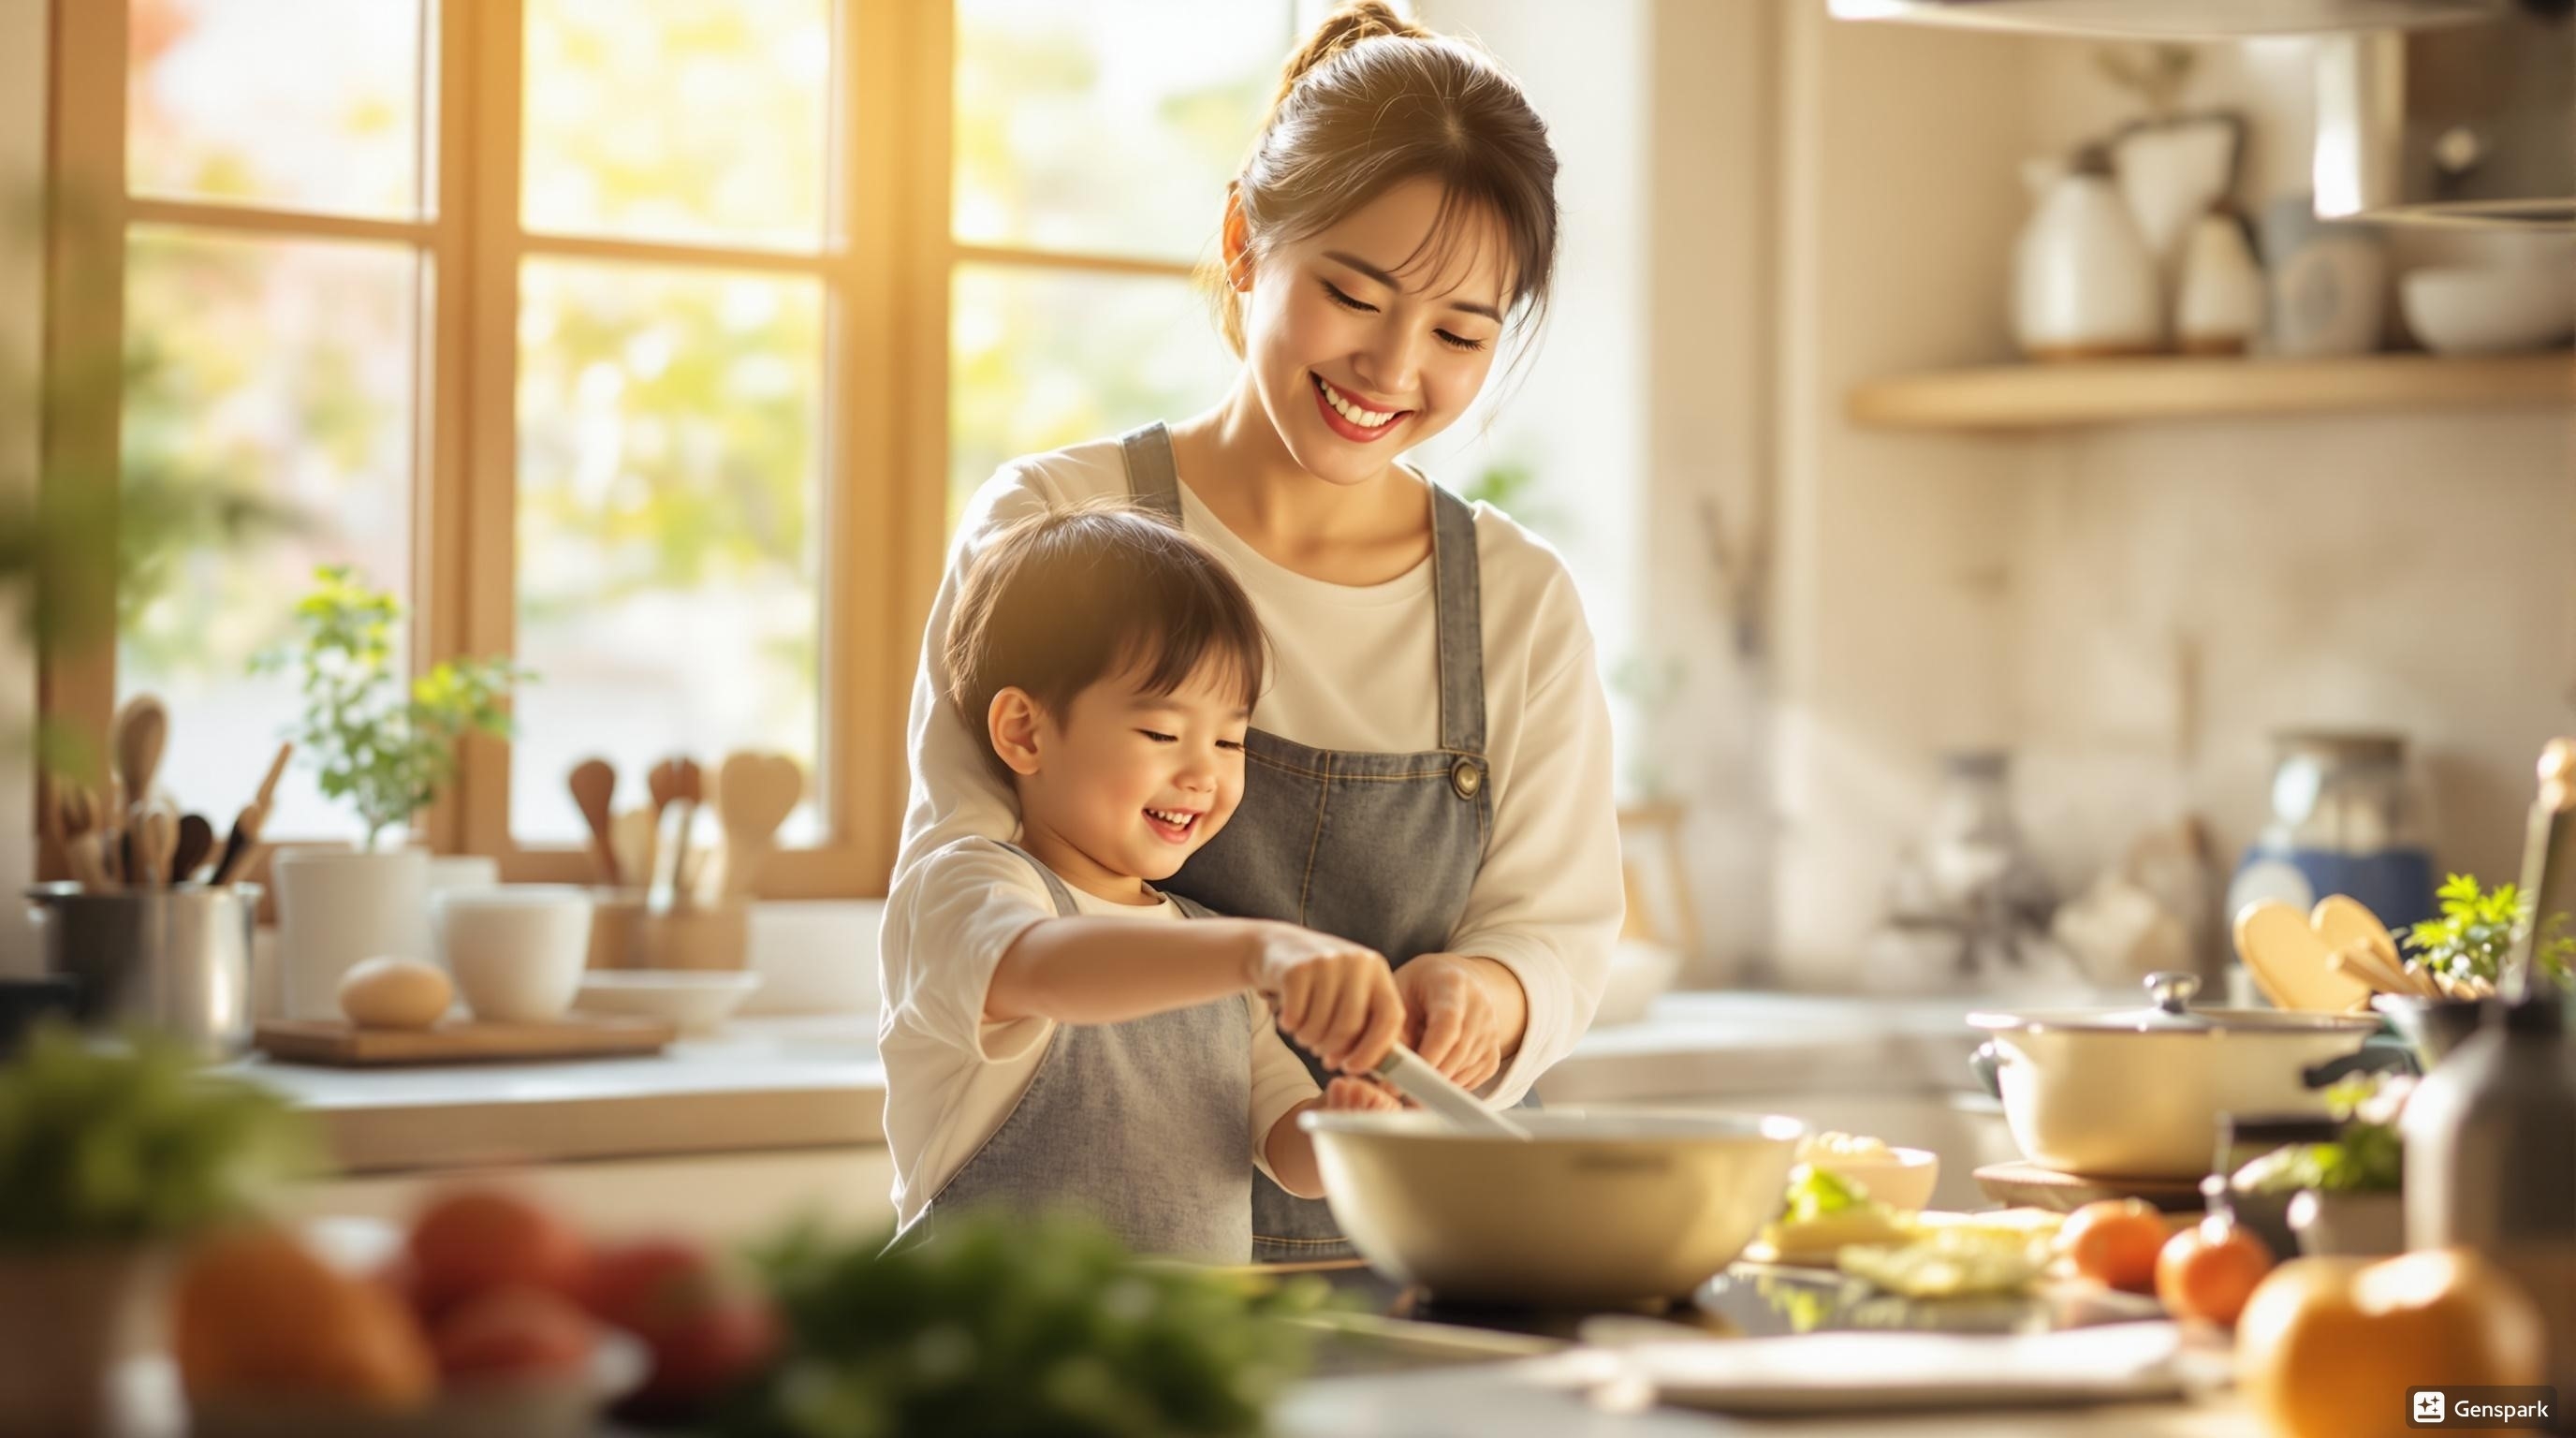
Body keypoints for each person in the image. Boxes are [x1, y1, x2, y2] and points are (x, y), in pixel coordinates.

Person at [890, 1, 1622, 1261]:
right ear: (1243, 240)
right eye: (1354, 294)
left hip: (1424, 1261)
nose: (1394, 368)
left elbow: (1558, 929)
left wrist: (1488, 999)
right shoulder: (1064, 521)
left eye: (1460, 333)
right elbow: (969, 900)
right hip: (1093, 1287)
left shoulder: (1516, 594)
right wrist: (1261, 958)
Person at [879, 503, 1405, 1261]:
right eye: (1161, 733)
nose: (1202, 773)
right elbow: (1046, 967)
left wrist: (1347, 1131)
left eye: (1230, 740)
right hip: (983, 1358)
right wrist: (1259, 950)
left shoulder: (1210, 948)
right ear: (1024, 732)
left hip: (1174, 1361)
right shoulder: (966, 887)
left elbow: (1284, 1149)